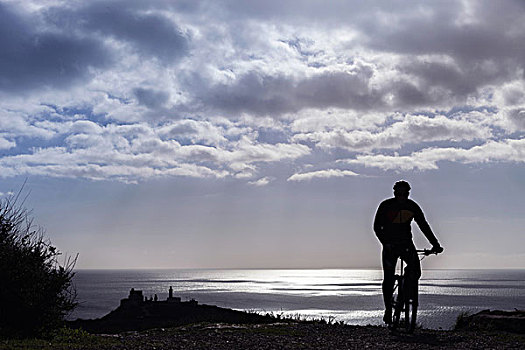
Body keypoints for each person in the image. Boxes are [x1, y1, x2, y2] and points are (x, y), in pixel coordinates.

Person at [373, 180, 443, 324]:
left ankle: (405, 293)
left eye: (404, 193)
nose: (401, 196)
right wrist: (385, 243)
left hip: (406, 244)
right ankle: (388, 309)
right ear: (394, 193)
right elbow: (376, 227)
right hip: (390, 246)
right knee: (388, 277)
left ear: (408, 193)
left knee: (415, 271)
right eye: (399, 193)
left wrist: (435, 244)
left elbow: (423, 225)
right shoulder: (386, 206)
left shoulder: (412, 207)